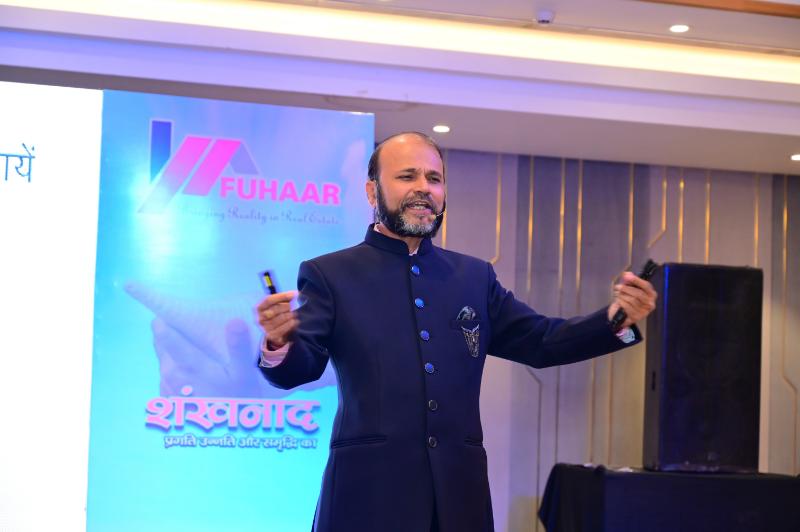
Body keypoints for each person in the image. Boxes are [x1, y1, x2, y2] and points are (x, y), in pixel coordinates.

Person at [256, 132, 657, 532]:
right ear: (372, 191)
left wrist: (615, 321)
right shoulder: (330, 274)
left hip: (459, 500)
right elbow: (299, 369)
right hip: (366, 497)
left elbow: (541, 341)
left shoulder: (473, 277)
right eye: (407, 176)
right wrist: (279, 342)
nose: (423, 188)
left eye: (434, 178)